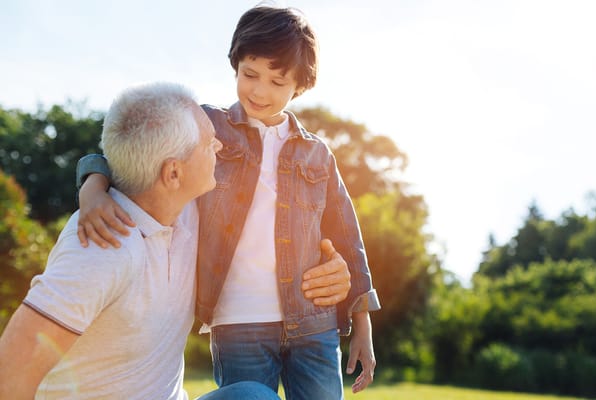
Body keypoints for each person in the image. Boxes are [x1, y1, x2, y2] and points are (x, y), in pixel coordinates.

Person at [76, 5, 380, 400]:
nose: (259, 90)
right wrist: (92, 187)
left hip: (314, 323)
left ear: (299, 85)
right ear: (236, 64)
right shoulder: (206, 126)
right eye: (250, 74)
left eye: (277, 81)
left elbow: (348, 241)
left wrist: (363, 327)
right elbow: (128, 146)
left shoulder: (317, 153)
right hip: (239, 324)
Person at [0, 82, 280, 400]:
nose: (218, 147)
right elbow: (10, 374)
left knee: (253, 397)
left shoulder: (188, 211)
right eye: (207, 144)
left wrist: (92, 180)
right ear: (173, 173)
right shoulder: (101, 244)